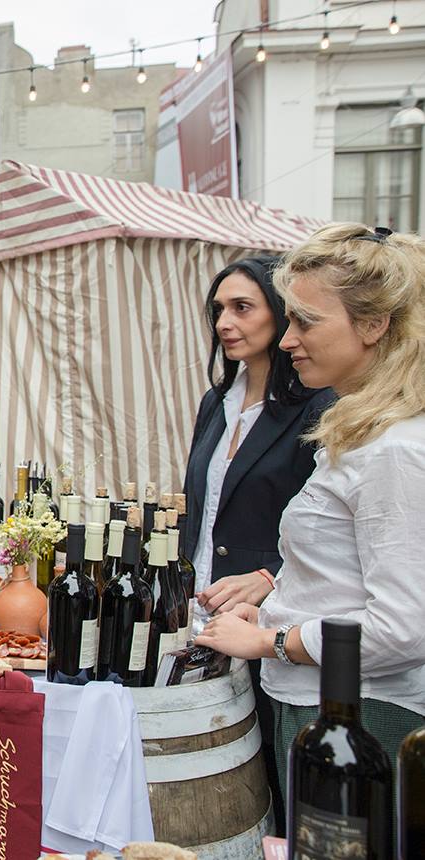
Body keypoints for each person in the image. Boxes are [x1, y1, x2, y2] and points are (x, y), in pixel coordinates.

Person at [196, 224, 425, 806]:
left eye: (305, 321)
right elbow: (342, 581)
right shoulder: (364, 434)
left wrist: (272, 638)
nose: (288, 339)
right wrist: (273, 608)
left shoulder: (393, 451)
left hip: (360, 719)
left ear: (374, 325)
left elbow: (402, 627)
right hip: (323, 703)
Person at [181, 256, 334, 832]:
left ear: (282, 313)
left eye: (242, 307)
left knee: (271, 772)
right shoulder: (215, 403)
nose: (225, 322)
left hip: (273, 622)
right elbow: (203, 512)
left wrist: (269, 577)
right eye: (218, 309)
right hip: (202, 615)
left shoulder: (319, 405)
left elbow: (323, 526)